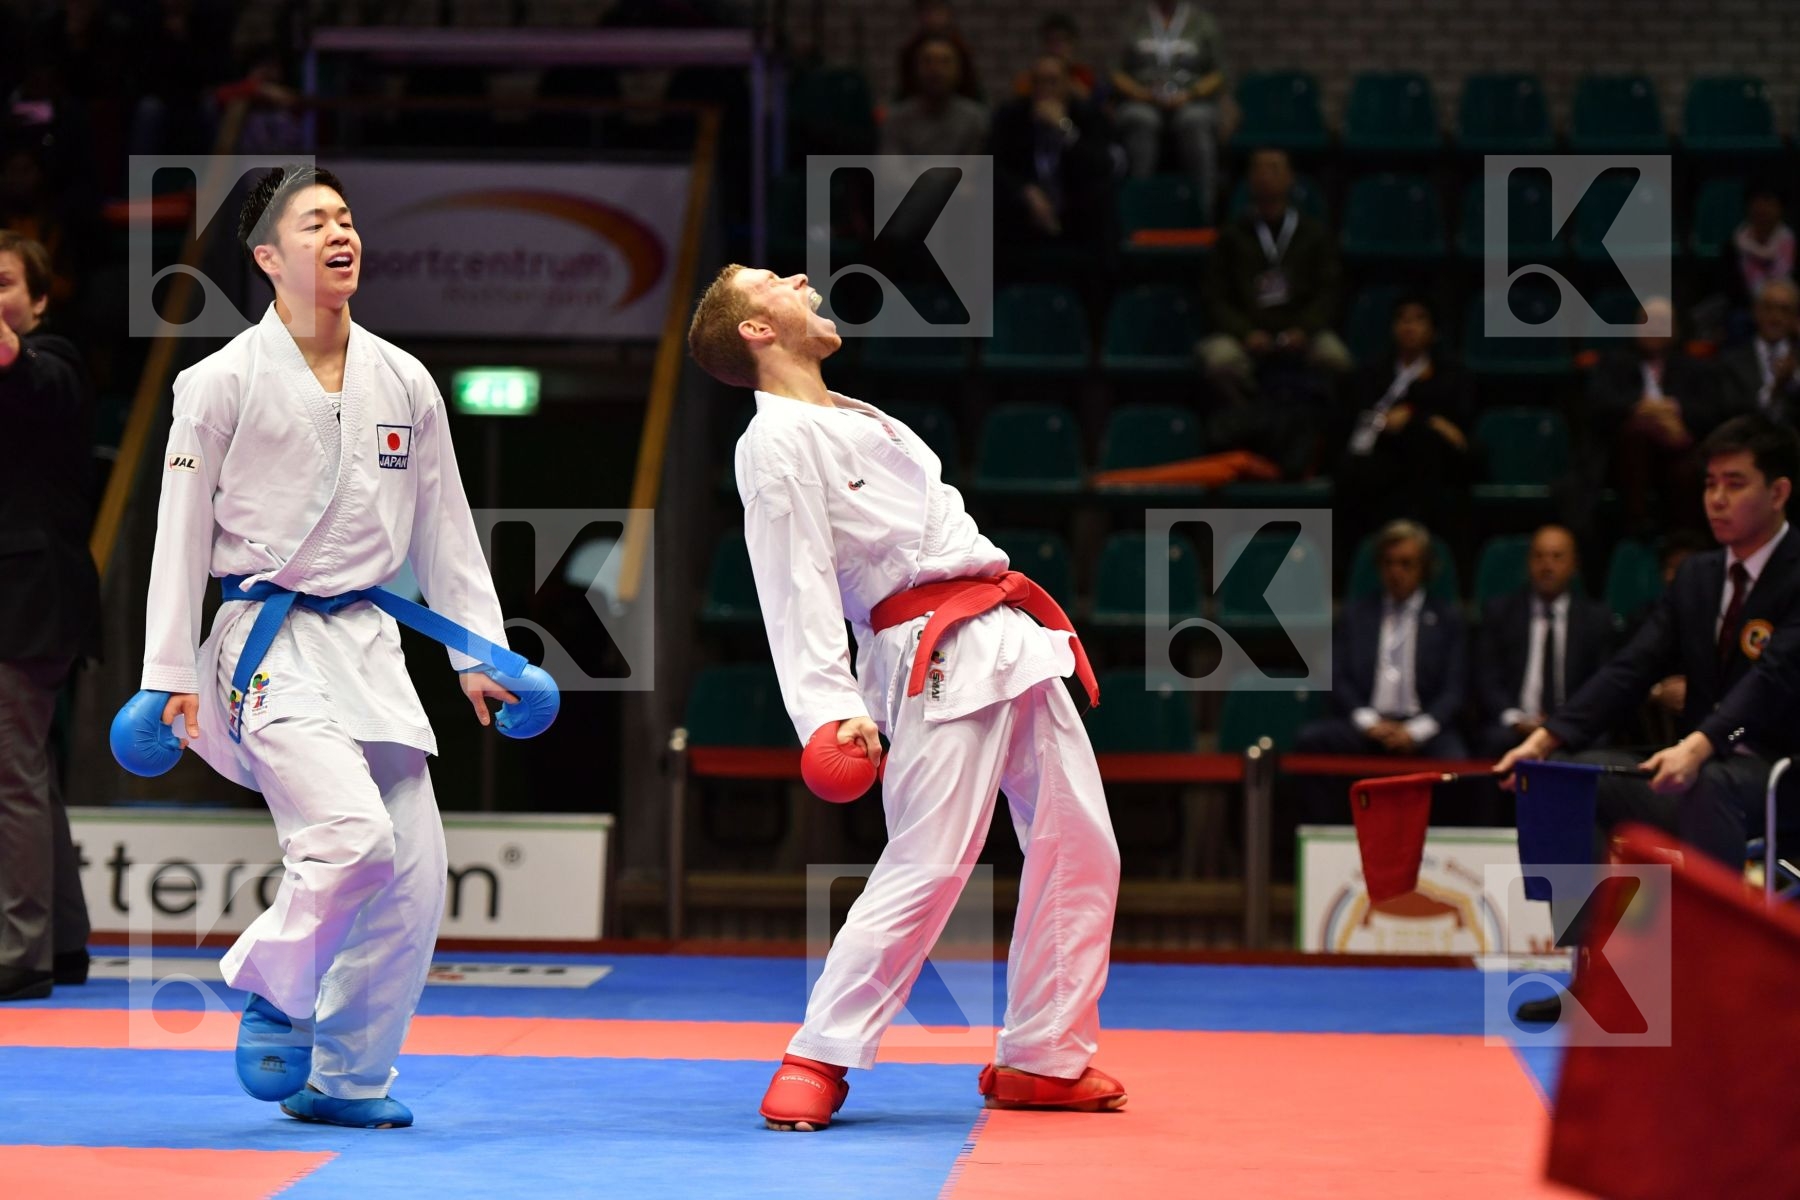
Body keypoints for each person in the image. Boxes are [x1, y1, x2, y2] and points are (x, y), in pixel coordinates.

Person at [137, 165, 534, 1129]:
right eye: (314, 223)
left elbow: (444, 526)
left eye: (347, 218)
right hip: (263, 641)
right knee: (350, 839)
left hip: (368, 642)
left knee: (412, 877)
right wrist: (166, 675)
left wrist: (481, 653)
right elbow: (179, 533)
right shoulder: (217, 380)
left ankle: (348, 1080)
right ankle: (277, 985)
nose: (339, 233)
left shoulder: (404, 378)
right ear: (269, 257)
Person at [686, 264, 1125, 1131]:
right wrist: (827, 707)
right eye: (774, 280)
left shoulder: (855, 416)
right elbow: (794, 583)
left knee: (1084, 846)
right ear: (754, 330)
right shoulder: (774, 442)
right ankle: (820, 1050)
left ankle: (1042, 1055)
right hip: (929, 657)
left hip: (1007, 638)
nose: (803, 277)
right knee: (930, 863)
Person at [1496, 414, 1800, 876]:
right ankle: (1596, 947)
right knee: (1562, 778)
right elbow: (1633, 666)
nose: (1716, 500)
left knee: (1706, 783)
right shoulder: (1698, 576)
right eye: (1710, 483)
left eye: (1734, 485)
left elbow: (1771, 677)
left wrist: (1699, 745)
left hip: (1780, 775)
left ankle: (1710, 948)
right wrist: (1547, 737)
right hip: (1702, 768)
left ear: (1778, 493)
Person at [0, 231, 97, 1002]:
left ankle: (18, 949)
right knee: (28, 772)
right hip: (30, 599)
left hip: (28, 601)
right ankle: (61, 942)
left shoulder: (54, 360)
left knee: (10, 774)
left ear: (37, 298)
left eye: (3, 283)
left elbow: (27, 375)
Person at [1295, 520, 1469, 820]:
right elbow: (1336, 677)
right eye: (1388, 563)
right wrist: (1368, 721)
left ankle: (1439, 850)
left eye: (1406, 564)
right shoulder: (1356, 615)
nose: (1396, 572)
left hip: (1424, 730)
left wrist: (1415, 731)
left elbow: (1455, 689)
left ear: (1424, 569)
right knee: (1312, 741)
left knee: (1459, 761)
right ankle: (1330, 838)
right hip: (1367, 727)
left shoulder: (1447, 619)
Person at [1201, 148, 1350, 404]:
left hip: (1301, 330)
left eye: (1274, 168)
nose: (1266, 175)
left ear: (1290, 177)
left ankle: (1314, 428)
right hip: (1246, 332)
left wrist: (1304, 328)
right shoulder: (1231, 236)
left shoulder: (1314, 234)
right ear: (1249, 179)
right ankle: (1251, 418)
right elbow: (1215, 296)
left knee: (1336, 359)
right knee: (1219, 361)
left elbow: (1329, 291)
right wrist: (1245, 332)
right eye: (1259, 168)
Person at [1331, 295, 1473, 562]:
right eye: (1403, 319)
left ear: (1433, 329)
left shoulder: (1452, 376)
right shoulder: (1371, 374)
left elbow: (1458, 436)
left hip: (1431, 466)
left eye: (1419, 319)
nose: (1410, 327)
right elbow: (1354, 423)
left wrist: (1416, 417)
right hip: (1380, 462)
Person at [1586, 296, 1735, 536]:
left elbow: (1712, 412)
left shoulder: (1696, 368)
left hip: (1679, 453)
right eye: (1646, 322)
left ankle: (1684, 541)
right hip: (1623, 458)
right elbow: (1599, 405)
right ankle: (1637, 524)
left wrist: (1674, 411)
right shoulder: (1614, 363)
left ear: (1675, 330)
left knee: (1687, 471)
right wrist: (1640, 408)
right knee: (1636, 434)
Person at [1473, 526, 1616, 760]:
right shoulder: (1500, 612)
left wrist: (1564, 723)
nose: (1547, 566)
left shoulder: (1595, 619)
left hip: (1573, 724)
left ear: (1574, 565)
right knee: (1492, 741)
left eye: (1557, 557)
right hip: (1515, 724)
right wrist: (1515, 719)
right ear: (1528, 563)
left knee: (1599, 745)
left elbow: (1600, 682)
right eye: (1539, 557)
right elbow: (1488, 678)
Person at [989, 54, 1114, 255]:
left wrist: (1065, 130)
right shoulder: (1011, 116)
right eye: (1038, 82)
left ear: (1068, 85)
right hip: (1026, 211)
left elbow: (1101, 165)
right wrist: (1026, 192)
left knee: (1101, 201)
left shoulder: (1088, 116)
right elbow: (996, 166)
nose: (1045, 89)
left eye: (1053, 81)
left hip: (1074, 212)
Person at [1111, 0, 1225, 222]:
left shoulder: (1202, 22)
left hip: (1191, 100)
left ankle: (1203, 209)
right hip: (1142, 99)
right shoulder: (1134, 20)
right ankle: (1137, 208)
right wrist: (1141, 94)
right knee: (1140, 119)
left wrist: (1191, 94)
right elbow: (1116, 73)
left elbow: (1219, 74)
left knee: (1194, 120)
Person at [880, 33, 989, 158]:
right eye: (928, 61)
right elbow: (891, 169)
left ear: (960, 69)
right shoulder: (897, 120)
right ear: (914, 68)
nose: (935, 69)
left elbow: (974, 170)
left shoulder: (975, 120)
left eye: (945, 61)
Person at [1720, 278, 1800, 423]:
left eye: (1785, 309)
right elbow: (1732, 414)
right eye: (1768, 308)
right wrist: (1777, 388)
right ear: (1755, 311)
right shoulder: (1730, 362)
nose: (1776, 317)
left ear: (1795, 317)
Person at [1012, 13, 1098, 102]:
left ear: (1072, 43)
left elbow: (1089, 103)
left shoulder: (1083, 75)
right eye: (1051, 41)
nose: (1056, 48)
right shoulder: (1029, 78)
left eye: (1062, 41)